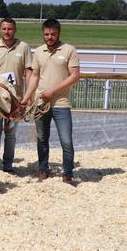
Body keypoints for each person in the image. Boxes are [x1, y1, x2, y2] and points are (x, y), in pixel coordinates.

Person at [23, 19, 80, 186]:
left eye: (53, 34)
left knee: (66, 140)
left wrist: (53, 91)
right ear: (43, 34)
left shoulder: (69, 50)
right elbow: (34, 76)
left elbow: (74, 76)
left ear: (59, 33)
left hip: (61, 103)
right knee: (41, 138)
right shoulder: (38, 52)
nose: (50, 37)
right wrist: (27, 97)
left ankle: (68, 174)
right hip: (41, 103)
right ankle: (43, 169)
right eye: (47, 34)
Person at [0, 17, 32, 172]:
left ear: (14, 30)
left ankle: (8, 165)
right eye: (4, 29)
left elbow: (29, 71)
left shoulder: (23, 47)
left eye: (10, 29)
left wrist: (28, 95)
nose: (7, 32)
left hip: (15, 100)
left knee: (11, 134)